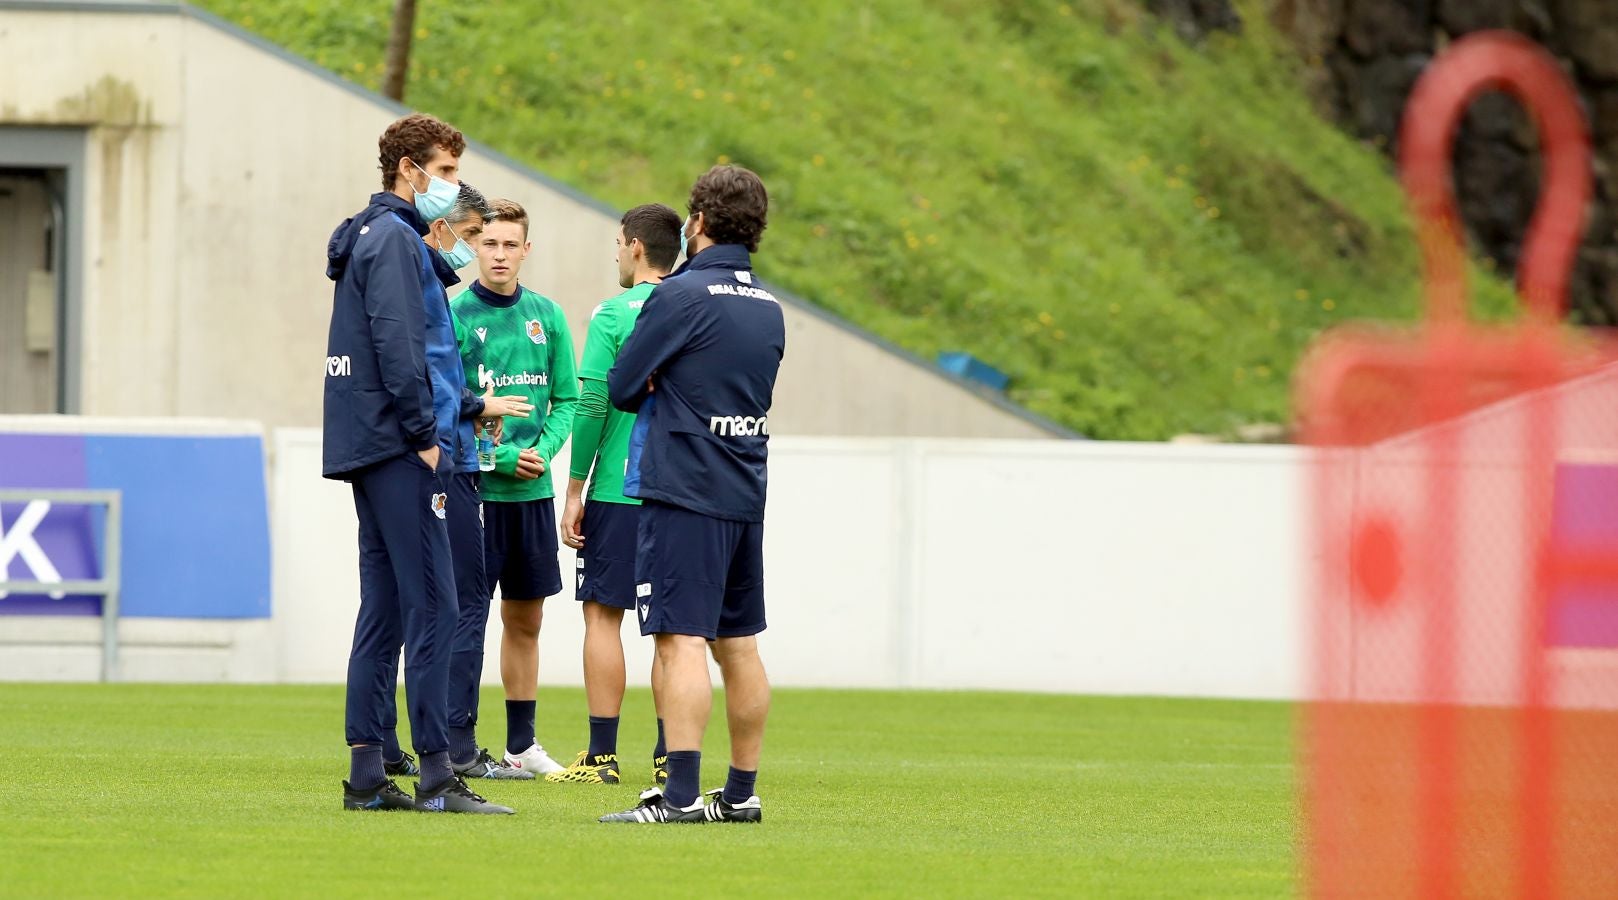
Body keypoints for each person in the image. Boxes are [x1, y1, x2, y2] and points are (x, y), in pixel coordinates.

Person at [322, 112, 511, 814]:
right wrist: (425, 432)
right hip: (403, 446)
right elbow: (400, 342)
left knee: (385, 608)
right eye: (448, 171)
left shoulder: (371, 235)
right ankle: (436, 774)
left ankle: (367, 774)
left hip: (369, 443)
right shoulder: (397, 239)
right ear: (409, 168)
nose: (454, 185)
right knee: (435, 603)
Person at [598, 166, 784, 824]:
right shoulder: (769, 306)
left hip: (683, 489)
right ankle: (740, 794)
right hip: (744, 489)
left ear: (697, 223)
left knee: (680, 640)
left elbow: (623, 385)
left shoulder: (679, 296)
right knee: (739, 645)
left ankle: (677, 797)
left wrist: (660, 376)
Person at [377, 183, 537, 782]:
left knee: (396, 605)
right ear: (443, 227)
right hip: (445, 461)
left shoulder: (415, 276)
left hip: (422, 456)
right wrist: (474, 409)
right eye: (475, 236)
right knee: (461, 603)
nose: (479, 249)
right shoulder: (427, 283)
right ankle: (456, 746)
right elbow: (426, 373)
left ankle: (382, 744)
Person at [549, 204, 683, 786]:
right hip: (680, 491)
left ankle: (601, 757)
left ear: (634, 246)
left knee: (604, 617)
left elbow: (593, 403)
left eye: (618, 244)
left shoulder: (614, 313)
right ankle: (669, 757)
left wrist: (574, 488)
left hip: (619, 490)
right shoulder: (694, 306)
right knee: (672, 630)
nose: (617, 255)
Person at [450, 198, 578, 776]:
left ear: (527, 250)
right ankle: (457, 744)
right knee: (466, 621)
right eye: (490, 244)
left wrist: (541, 455)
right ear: (475, 247)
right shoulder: (456, 315)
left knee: (525, 622)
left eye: (510, 245)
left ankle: (521, 746)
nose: (499, 255)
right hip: (477, 495)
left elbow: (568, 399)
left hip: (532, 497)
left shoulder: (547, 316)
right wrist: (499, 458)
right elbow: (448, 406)